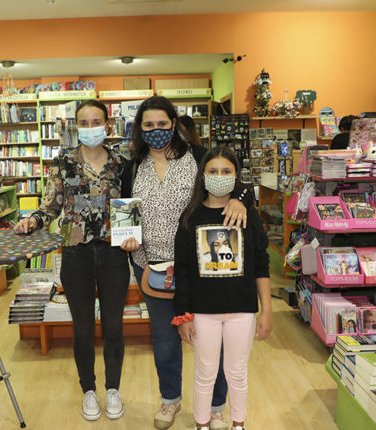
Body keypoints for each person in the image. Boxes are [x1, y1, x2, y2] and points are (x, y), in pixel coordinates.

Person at [120, 96, 251, 430]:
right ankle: (170, 400)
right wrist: (127, 237)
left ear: (174, 123)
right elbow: (124, 209)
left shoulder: (196, 156)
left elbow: (233, 180)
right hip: (151, 265)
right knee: (165, 339)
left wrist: (240, 200)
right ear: (139, 128)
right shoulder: (132, 166)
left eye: (162, 123)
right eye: (148, 125)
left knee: (214, 339)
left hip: (203, 265)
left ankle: (217, 407)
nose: (156, 130)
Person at [13, 100, 129, 422]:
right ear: (76, 126)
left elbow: (132, 206)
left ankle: (113, 388)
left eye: (96, 121)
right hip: (75, 251)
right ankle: (89, 389)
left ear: (107, 124)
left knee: (113, 326)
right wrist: (32, 220)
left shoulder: (121, 162)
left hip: (114, 253)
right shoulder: (63, 161)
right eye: (84, 122)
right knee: (82, 328)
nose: (90, 127)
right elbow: (51, 206)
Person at [173, 146, 271, 430]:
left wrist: (267, 310)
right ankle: (201, 425)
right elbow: (183, 271)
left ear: (236, 176)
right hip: (203, 312)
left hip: (242, 309)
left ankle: (239, 424)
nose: (219, 176)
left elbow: (261, 265)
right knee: (205, 372)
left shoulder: (248, 215)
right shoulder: (190, 218)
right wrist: (183, 315)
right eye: (213, 171)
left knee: (236, 372)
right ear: (202, 176)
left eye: (226, 171)